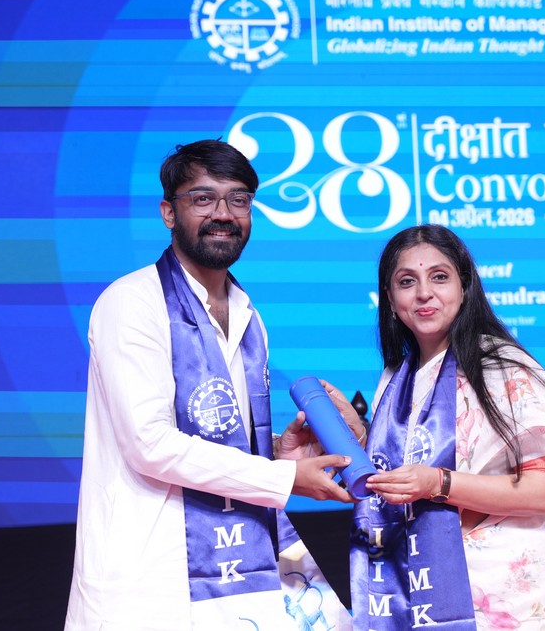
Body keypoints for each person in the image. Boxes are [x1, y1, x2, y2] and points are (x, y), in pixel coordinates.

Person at [65, 140, 358, 631]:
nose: (223, 213)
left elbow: (215, 432)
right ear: (168, 212)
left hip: (241, 557)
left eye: (238, 199)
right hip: (153, 566)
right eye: (203, 198)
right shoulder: (132, 302)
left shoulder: (246, 311)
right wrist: (282, 479)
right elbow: (150, 444)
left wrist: (278, 454)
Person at [331, 224, 545, 630]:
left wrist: (439, 483)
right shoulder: (398, 378)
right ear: (390, 299)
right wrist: (359, 437)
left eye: (440, 277)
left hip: (504, 596)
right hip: (422, 585)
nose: (424, 293)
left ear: (464, 287)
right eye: (407, 281)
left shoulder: (501, 368)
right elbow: (406, 475)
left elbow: (544, 490)